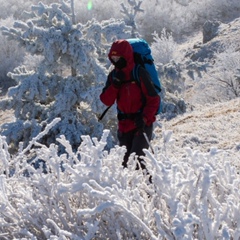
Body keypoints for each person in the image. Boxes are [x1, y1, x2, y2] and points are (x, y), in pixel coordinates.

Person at [100, 39, 160, 174]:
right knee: (125, 165)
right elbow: (106, 100)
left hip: (141, 124)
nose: (115, 60)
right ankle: (132, 193)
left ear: (126, 55)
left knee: (137, 162)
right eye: (113, 58)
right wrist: (115, 85)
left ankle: (151, 192)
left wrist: (144, 118)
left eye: (118, 57)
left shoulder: (139, 73)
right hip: (124, 126)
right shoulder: (114, 75)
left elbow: (154, 99)